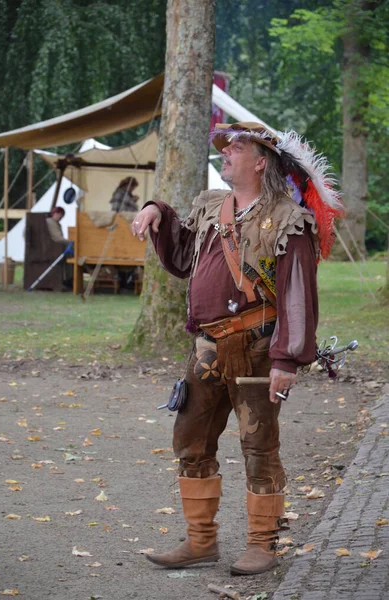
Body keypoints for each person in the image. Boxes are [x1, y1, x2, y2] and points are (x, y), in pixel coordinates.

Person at [132, 122, 343, 575]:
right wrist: (158, 212)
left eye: (237, 147)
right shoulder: (212, 206)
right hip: (206, 349)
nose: (226, 152)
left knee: (258, 447)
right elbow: (184, 257)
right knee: (190, 441)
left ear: (261, 160)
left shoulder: (290, 218)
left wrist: (287, 359)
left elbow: (297, 295)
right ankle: (200, 541)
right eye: (226, 147)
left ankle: (261, 544)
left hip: (258, 351)